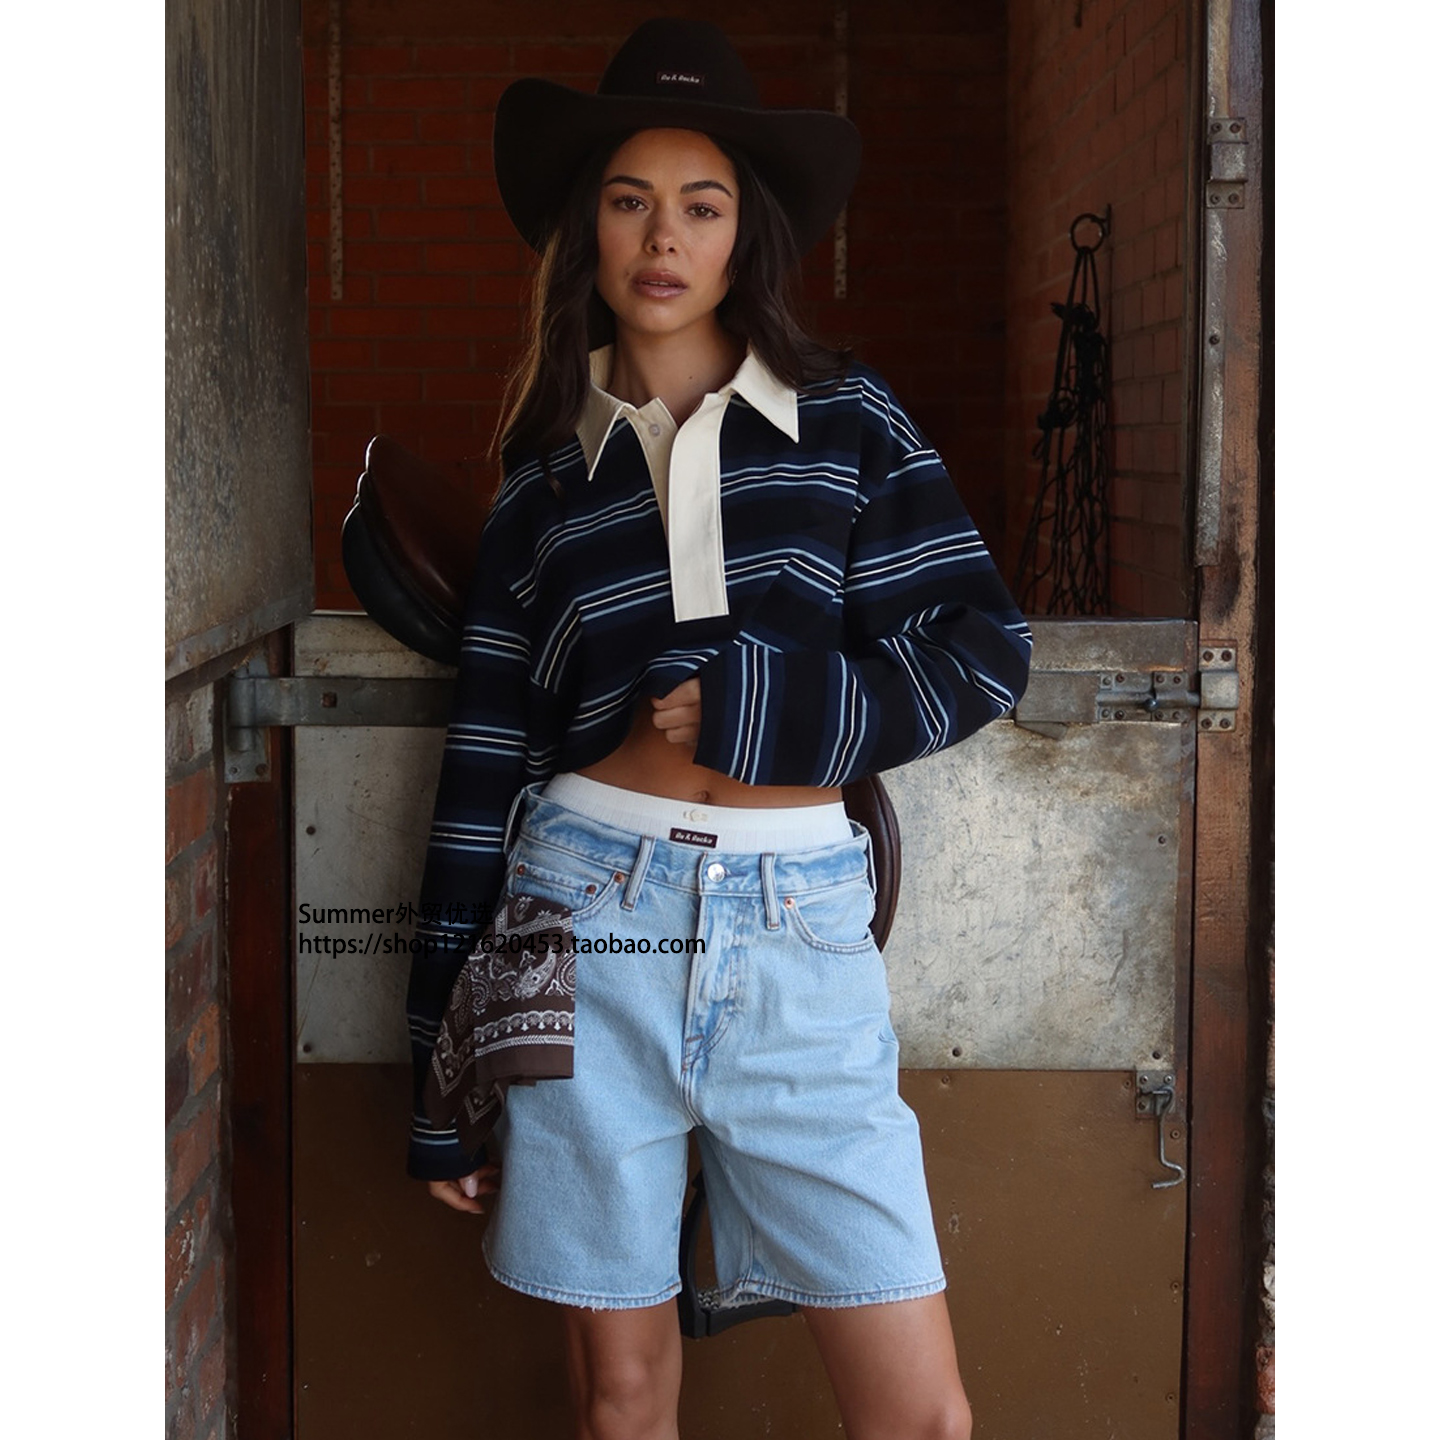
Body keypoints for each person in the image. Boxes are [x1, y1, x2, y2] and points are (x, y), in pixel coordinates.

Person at [405, 19, 1032, 1440]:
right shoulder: (542, 482)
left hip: (799, 931)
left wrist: (781, 711)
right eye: (630, 201)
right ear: (588, 228)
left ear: (747, 236)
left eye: (702, 205)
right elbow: (483, 771)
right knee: (621, 1403)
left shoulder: (848, 421)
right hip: (584, 923)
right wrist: (437, 1061)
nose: (663, 238)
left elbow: (987, 650)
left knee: (923, 1416)